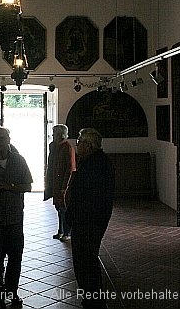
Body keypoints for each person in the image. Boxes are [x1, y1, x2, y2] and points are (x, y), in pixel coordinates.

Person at [0, 127, 33, 309]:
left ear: (9, 139)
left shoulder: (19, 161)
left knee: (15, 258)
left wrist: (8, 186)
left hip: (14, 219)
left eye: (2, 138)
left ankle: (12, 291)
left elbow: (28, 185)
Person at [66, 128, 114, 309]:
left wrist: (73, 216)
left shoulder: (95, 165)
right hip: (90, 220)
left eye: (79, 142)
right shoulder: (95, 161)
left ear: (88, 145)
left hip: (88, 222)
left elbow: (87, 197)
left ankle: (93, 300)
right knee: (86, 260)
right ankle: (92, 297)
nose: (77, 145)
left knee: (86, 261)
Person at [43, 124, 76, 242]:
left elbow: (71, 168)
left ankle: (67, 232)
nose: (52, 135)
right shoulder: (53, 146)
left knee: (64, 209)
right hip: (55, 182)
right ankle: (60, 230)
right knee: (58, 208)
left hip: (63, 182)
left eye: (54, 133)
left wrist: (65, 186)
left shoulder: (67, 147)